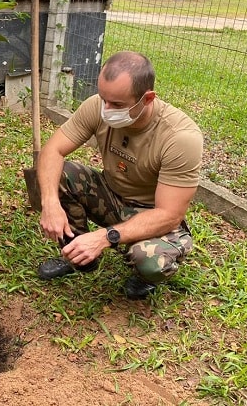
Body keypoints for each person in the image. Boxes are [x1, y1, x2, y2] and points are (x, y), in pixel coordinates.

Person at [36, 51, 203, 299]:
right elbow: (53, 150)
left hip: (151, 212)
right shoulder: (97, 106)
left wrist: (105, 237)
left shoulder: (180, 138)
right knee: (59, 175)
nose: (106, 110)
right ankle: (78, 255)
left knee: (148, 260)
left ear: (147, 99)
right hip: (111, 195)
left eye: (117, 105)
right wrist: (49, 202)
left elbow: (170, 215)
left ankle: (144, 277)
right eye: (103, 99)